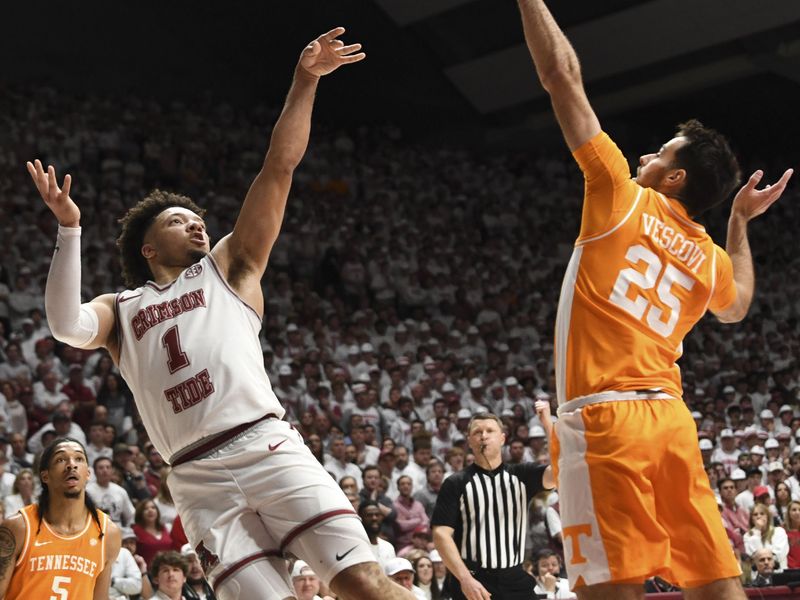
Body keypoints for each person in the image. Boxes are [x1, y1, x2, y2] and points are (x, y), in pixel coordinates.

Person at [29, 27, 413, 600]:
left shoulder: (228, 267)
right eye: (178, 220)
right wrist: (69, 228)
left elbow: (278, 168)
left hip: (265, 445)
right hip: (194, 478)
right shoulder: (121, 310)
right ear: (148, 249)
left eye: (197, 218)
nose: (197, 224)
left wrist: (305, 79)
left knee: (361, 581)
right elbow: (64, 325)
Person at [516, 1, 793, 598]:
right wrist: (740, 224)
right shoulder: (708, 258)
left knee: (606, 590)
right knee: (717, 585)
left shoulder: (619, 193)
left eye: (660, 153)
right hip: (670, 421)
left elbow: (561, 74)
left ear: (674, 179)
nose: (645, 155)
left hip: (605, 420)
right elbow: (738, 305)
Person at [432, 413, 554, 600]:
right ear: (470, 441)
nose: (484, 435)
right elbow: (441, 534)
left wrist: (548, 425)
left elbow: (560, 472)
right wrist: (465, 578)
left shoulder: (522, 474)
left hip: (514, 577)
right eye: (477, 432)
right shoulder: (456, 483)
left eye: (490, 430)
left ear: (502, 438)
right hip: (474, 578)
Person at [0, 437, 121, 599]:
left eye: (79, 458)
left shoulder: (108, 533)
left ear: (88, 474)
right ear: (45, 476)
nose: (72, 464)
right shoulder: (19, 527)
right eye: (61, 459)